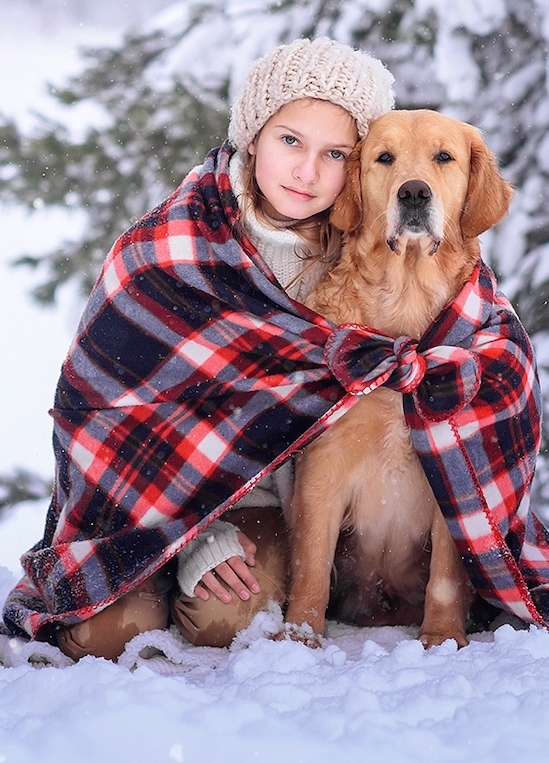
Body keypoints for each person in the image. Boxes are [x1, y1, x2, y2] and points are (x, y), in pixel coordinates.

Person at [2, 37, 395, 660]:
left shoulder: (363, 262)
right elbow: (103, 412)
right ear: (254, 135)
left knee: (229, 616)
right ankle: (143, 576)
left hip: (262, 505)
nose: (307, 171)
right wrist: (192, 538)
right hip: (136, 505)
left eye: (336, 153)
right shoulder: (168, 249)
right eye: (290, 140)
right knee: (101, 636)